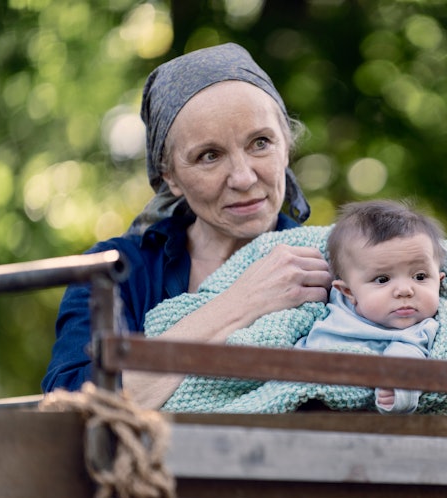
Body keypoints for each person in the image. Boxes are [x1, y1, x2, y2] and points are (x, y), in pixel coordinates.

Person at [42, 43, 333, 409]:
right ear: (171, 177)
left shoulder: (337, 259)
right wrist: (240, 302)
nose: (243, 178)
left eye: (260, 143)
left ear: (285, 147)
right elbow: (72, 408)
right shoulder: (115, 274)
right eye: (209, 156)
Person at [295, 200, 446, 414]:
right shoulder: (333, 305)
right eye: (383, 279)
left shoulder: (420, 329)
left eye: (420, 276)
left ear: (439, 281)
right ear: (348, 292)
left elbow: (407, 357)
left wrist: (398, 391)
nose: (405, 290)